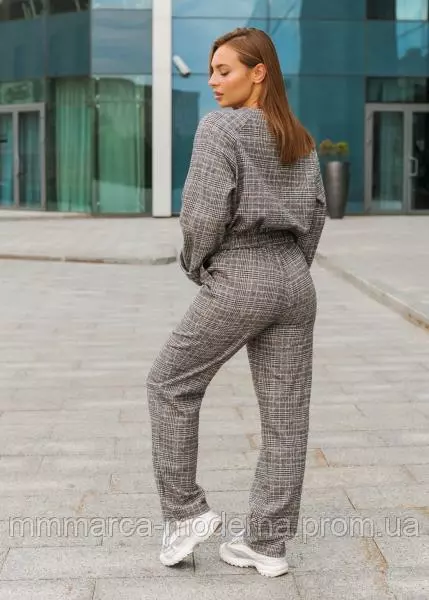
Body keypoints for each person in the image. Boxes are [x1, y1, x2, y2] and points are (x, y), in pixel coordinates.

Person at [146, 27, 326, 578]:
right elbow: (315, 213)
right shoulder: (299, 138)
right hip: (295, 280)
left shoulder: (220, 128)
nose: (214, 81)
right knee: (286, 416)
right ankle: (267, 544)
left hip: (240, 273)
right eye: (211, 71)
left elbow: (202, 213)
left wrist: (197, 264)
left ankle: (186, 515)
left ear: (259, 72)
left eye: (224, 70)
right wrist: (291, 268)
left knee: (169, 383)